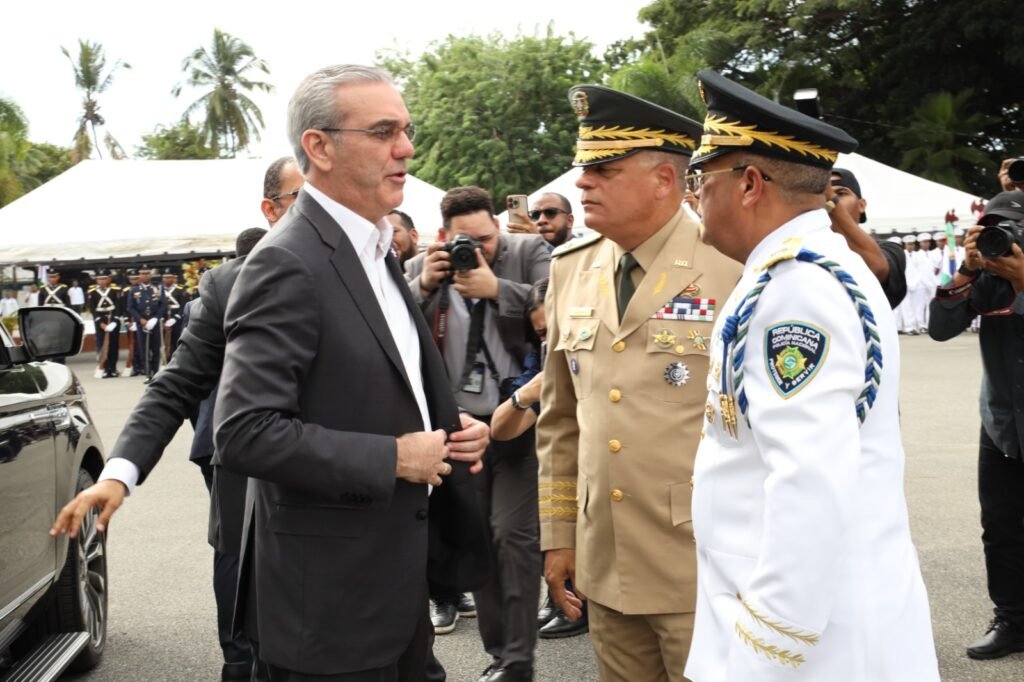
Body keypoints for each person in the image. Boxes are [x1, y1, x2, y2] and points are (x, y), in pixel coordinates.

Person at [213, 64, 490, 681]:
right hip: (330, 616)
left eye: (407, 129)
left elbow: (373, 380)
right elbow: (244, 432)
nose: (407, 148)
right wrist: (393, 456)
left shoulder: (372, 248)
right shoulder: (287, 262)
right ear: (319, 147)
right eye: (384, 131)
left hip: (393, 586)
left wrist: (448, 428)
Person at [683, 69, 938, 682]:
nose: (694, 197)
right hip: (821, 614)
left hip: (810, 641)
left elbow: (809, 483)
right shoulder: (811, 269)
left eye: (700, 180)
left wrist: (764, 651)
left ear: (748, 183)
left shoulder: (796, 288)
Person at [51, 158, 320, 682]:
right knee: (238, 564)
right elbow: (174, 384)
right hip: (246, 462)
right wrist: (118, 473)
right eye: (301, 201)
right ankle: (239, 662)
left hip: (353, 488)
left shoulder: (376, 269)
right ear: (271, 210)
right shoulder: (227, 286)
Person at [536, 84, 743, 682]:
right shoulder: (571, 269)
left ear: (663, 180)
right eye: (585, 170)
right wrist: (559, 534)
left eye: (603, 169)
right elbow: (560, 421)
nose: (582, 184)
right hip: (605, 563)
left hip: (702, 562)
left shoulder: (731, 262)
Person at [405, 185, 549, 682]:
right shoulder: (424, 269)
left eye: (486, 239)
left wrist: (497, 290)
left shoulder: (528, 252)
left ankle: (517, 662)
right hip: (461, 432)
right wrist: (424, 285)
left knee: (514, 536)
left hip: (519, 421)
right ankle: (501, 657)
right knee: (480, 540)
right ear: (444, 237)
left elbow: (558, 309)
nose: (478, 250)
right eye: (466, 242)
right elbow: (389, 328)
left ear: (496, 227)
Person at [929, 190, 1024, 661]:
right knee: (1001, 528)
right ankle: (1011, 620)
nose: (999, 239)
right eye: (989, 229)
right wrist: (967, 269)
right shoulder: (983, 276)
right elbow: (940, 327)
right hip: (1002, 421)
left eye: (1009, 229)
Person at [827, 167, 907, 307]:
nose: (828, 200)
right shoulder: (802, 247)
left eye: (840, 193)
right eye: (821, 195)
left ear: (861, 205)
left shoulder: (891, 249)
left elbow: (875, 269)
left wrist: (830, 200)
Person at [127, 266, 167, 382]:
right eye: (142, 274)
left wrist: (155, 318)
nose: (145, 276)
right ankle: (147, 373)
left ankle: (155, 372)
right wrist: (140, 319)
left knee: (155, 348)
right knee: (144, 348)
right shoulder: (134, 290)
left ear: (150, 275)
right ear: (139, 276)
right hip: (142, 324)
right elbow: (130, 308)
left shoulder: (158, 288)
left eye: (147, 273)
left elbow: (163, 305)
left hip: (155, 323)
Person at [506, 192, 575, 250]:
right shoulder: (527, 255)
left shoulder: (582, 251)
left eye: (551, 213)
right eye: (535, 215)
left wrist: (539, 241)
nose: (541, 220)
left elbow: (560, 263)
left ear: (569, 221)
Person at [87, 269, 121, 378]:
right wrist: (100, 322)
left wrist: (115, 321)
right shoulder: (92, 292)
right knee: (102, 345)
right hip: (100, 320)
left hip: (113, 320)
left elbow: (119, 305)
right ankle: (105, 368)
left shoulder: (115, 290)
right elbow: (91, 308)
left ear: (109, 279)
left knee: (114, 345)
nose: (101, 281)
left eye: (104, 279)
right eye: (99, 279)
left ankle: (113, 368)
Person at [161, 268, 188, 363]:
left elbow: (184, 305)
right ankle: (166, 360)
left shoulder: (180, 290)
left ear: (173, 278)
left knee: (176, 341)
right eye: (165, 277)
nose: (167, 280)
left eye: (169, 277)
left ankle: (177, 361)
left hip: (176, 320)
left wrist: (175, 318)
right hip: (163, 320)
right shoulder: (159, 290)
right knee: (164, 342)